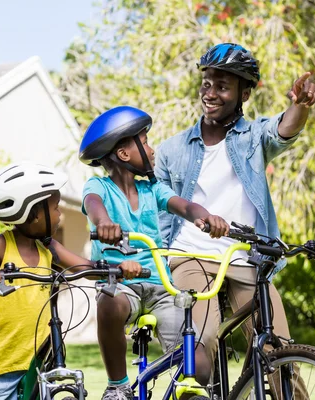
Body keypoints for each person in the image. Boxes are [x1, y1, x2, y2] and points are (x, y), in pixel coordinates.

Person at [154, 43, 315, 382]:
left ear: (244, 94)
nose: (210, 93)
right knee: (203, 342)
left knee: (280, 352)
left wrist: (299, 105)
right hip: (191, 256)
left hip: (246, 258)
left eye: (222, 86)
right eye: (206, 83)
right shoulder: (172, 149)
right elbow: (161, 209)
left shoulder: (253, 138)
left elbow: (284, 130)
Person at [78, 105, 230, 400]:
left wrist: (204, 217)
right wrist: (105, 223)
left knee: (198, 367)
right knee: (109, 303)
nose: (151, 148)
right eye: (144, 142)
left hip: (161, 287)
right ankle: (117, 384)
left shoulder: (152, 189)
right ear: (124, 154)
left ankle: (182, 389)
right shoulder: (99, 186)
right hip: (121, 283)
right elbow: (93, 204)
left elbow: (184, 206)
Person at [0, 161, 142, 400]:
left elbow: (84, 267)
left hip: (39, 358)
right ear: (33, 214)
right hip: (0, 363)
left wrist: (119, 269)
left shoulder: (48, 247)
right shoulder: (0, 245)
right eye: (56, 208)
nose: (60, 214)